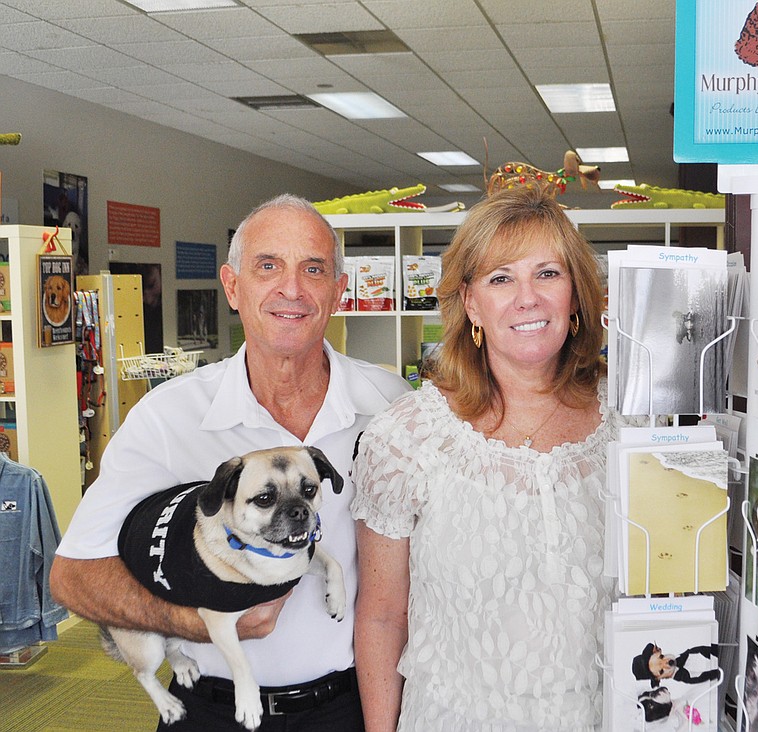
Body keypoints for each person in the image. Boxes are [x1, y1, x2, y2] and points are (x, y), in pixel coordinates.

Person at [50, 193, 410, 731]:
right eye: (268, 266)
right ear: (232, 286)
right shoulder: (169, 416)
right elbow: (72, 575)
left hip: (350, 707)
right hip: (212, 710)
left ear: (338, 291)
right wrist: (195, 622)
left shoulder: (390, 404)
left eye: (313, 269)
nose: (292, 288)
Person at [351, 185, 634, 731]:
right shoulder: (407, 438)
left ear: (577, 295)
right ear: (471, 303)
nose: (527, 298)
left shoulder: (634, 421)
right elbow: (383, 618)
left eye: (548, 274)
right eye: (501, 278)